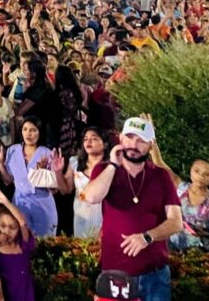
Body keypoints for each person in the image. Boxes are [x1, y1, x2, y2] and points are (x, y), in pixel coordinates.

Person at [82, 117, 183, 301]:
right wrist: (113, 165)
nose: (133, 145)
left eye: (141, 140)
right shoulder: (104, 170)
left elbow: (176, 222)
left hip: (155, 276)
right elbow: (90, 197)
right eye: (129, 137)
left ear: (151, 146)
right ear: (120, 138)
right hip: (116, 275)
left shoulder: (161, 176)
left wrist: (147, 237)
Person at [0, 117, 59, 237]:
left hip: (42, 207)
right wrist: (0, 162)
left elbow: (55, 190)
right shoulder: (13, 151)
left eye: (33, 130)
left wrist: (41, 174)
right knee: (20, 241)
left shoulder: (48, 153)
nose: (28, 133)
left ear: (40, 132)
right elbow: (7, 180)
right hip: (19, 205)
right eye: (25, 129)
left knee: (43, 245)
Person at [0, 189, 36, 301]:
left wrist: (5, 202)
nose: (6, 231)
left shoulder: (23, 245)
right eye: (2, 225)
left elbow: (22, 222)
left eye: (12, 227)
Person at [56, 127, 108, 239]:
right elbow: (65, 190)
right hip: (81, 217)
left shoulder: (111, 167)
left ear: (105, 144)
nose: (88, 142)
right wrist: (58, 172)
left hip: (103, 218)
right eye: (85, 139)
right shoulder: (75, 162)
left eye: (93, 138)